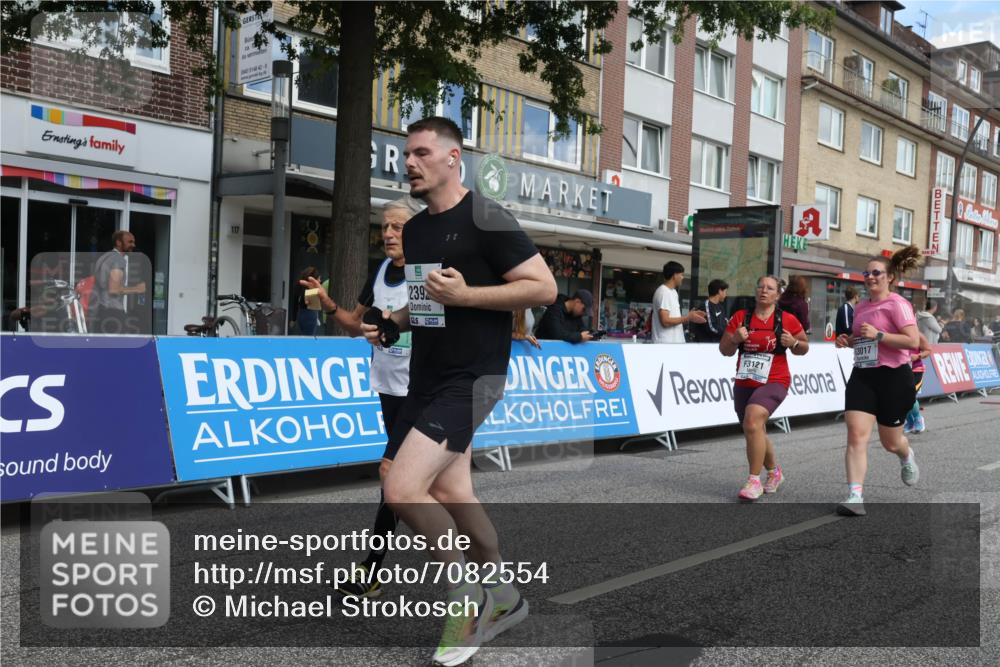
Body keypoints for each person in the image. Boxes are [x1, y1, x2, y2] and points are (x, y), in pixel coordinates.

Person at [364, 117, 556, 666]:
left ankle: (466, 600)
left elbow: (543, 288)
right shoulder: (418, 230)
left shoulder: (487, 218)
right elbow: (430, 300)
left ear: (453, 158)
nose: (409, 162)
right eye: (407, 154)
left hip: (474, 377)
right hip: (425, 376)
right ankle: (504, 595)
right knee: (451, 493)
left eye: (421, 153)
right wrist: (395, 322)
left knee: (402, 488)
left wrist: (469, 295)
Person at [299, 195, 423, 597]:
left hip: (421, 391)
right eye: (384, 226)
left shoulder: (427, 274)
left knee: (392, 475)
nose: (388, 233)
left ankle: (372, 568)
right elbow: (355, 324)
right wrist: (328, 304)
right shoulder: (382, 271)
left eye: (397, 227)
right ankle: (479, 565)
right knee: (421, 486)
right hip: (389, 388)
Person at [834, 246, 922, 516]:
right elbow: (863, 339)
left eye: (876, 273)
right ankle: (855, 496)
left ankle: (905, 454)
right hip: (863, 375)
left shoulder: (898, 304)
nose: (870, 277)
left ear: (890, 277)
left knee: (890, 443)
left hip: (894, 377)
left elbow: (913, 341)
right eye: (866, 273)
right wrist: (848, 341)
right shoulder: (861, 307)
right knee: (856, 435)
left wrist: (879, 335)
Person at [720, 275, 809, 501]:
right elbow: (725, 350)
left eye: (770, 288)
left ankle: (754, 481)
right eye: (760, 286)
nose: (764, 291)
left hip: (775, 380)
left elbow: (804, 347)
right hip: (745, 381)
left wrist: (794, 343)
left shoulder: (786, 319)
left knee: (752, 420)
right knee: (754, 428)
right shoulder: (741, 317)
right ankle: (774, 473)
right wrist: (735, 339)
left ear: (778, 295)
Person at [91, 230, 146, 334]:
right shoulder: (118, 260)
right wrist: (137, 289)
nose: (133, 245)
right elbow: (114, 290)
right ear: (118, 242)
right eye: (130, 242)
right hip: (113, 312)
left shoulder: (103, 258)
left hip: (99, 311)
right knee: (121, 344)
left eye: (133, 242)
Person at [652, 261, 706, 343]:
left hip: (675, 343)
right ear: (674, 275)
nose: (682, 277)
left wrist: (690, 317)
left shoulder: (673, 292)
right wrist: (687, 317)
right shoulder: (664, 292)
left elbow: (674, 318)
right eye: (681, 274)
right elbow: (665, 321)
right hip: (666, 344)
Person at [904, 326, 932, 435]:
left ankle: (918, 418)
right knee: (901, 398)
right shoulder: (894, 333)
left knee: (909, 395)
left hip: (916, 370)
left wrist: (918, 356)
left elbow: (928, 350)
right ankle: (910, 422)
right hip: (900, 370)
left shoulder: (917, 334)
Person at [691, 279, 729, 343]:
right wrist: (727, 333)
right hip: (706, 345)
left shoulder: (720, 307)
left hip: (718, 344)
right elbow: (711, 327)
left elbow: (726, 323)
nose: (726, 295)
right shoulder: (705, 306)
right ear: (720, 291)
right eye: (725, 292)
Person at [293, 266, 322, 335]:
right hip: (310, 315)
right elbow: (314, 305)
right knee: (309, 336)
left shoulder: (300, 287)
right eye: (318, 279)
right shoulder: (311, 290)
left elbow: (295, 303)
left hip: (301, 314)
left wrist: (293, 318)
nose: (320, 281)